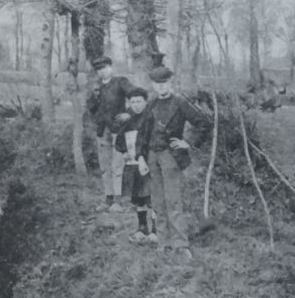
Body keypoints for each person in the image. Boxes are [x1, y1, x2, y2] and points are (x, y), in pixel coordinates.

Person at [142, 66, 210, 263]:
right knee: (158, 202)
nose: (161, 87)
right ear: (153, 85)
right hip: (151, 157)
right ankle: (163, 243)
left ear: (170, 83)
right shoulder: (151, 103)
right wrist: (141, 157)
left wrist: (187, 142)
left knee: (173, 201)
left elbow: (203, 123)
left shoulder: (180, 103)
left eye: (165, 83)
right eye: (157, 84)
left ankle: (180, 245)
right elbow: (144, 133)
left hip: (170, 156)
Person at [85, 55, 138, 213]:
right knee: (104, 165)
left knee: (117, 165)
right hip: (103, 131)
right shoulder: (97, 87)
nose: (102, 72)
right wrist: (94, 96)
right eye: (99, 69)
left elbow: (137, 97)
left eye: (104, 68)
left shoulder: (120, 82)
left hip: (118, 130)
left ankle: (118, 201)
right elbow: (91, 109)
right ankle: (108, 199)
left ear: (111, 67)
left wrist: (129, 113)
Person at [111, 89, 158, 245]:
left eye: (139, 101)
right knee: (138, 198)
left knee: (151, 196)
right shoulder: (128, 120)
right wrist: (124, 151)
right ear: (128, 103)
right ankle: (142, 229)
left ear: (145, 102)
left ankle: (155, 231)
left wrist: (143, 157)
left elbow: (149, 140)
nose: (137, 105)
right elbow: (119, 141)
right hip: (132, 163)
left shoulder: (150, 118)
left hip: (147, 161)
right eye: (133, 102)